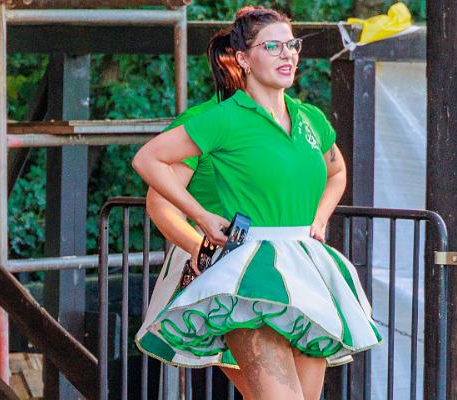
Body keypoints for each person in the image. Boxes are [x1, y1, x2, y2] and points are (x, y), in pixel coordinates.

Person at [133, 6, 381, 400]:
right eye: (273, 46)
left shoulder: (310, 118)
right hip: (243, 269)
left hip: (305, 269)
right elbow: (151, 170)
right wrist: (201, 224)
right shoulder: (219, 119)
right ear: (243, 59)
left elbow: (337, 171)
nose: (288, 54)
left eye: (292, 45)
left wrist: (319, 219)